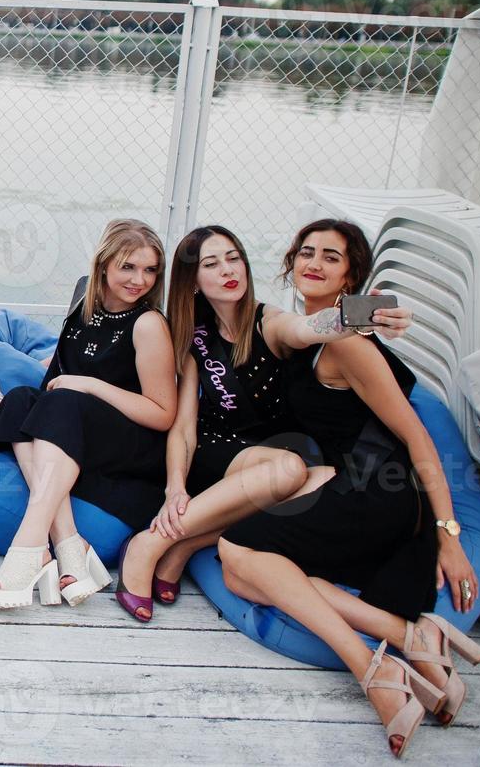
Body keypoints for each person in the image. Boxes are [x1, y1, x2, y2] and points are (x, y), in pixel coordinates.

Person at [217, 219, 480, 757]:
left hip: (381, 491)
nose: (314, 263)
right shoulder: (308, 331)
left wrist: (448, 533)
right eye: (306, 252)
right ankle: (410, 636)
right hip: (350, 486)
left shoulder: (351, 348)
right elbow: (295, 323)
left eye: (331, 258)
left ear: (351, 275)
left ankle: (373, 669)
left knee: (235, 548)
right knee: (247, 579)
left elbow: (416, 437)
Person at [115, 225, 410, 622]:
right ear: (195, 280)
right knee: (288, 470)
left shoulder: (268, 321)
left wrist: (367, 313)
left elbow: (309, 327)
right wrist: (174, 488)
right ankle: (149, 544)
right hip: (218, 451)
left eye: (234, 258)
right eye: (211, 263)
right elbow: (183, 427)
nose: (227, 270)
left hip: (274, 454)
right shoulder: (192, 337)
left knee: (323, 478)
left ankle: (185, 546)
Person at [0, 219, 177, 608]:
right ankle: (69, 544)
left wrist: (88, 385)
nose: (140, 280)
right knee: (21, 399)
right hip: (76, 431)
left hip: (131, 446)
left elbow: (162, 414)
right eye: (128, 266)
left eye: (150, 269)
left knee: (63, 401)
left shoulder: (148, 324)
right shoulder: (83, 301)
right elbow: (52, 382)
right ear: (104, 264)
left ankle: (30, 546)